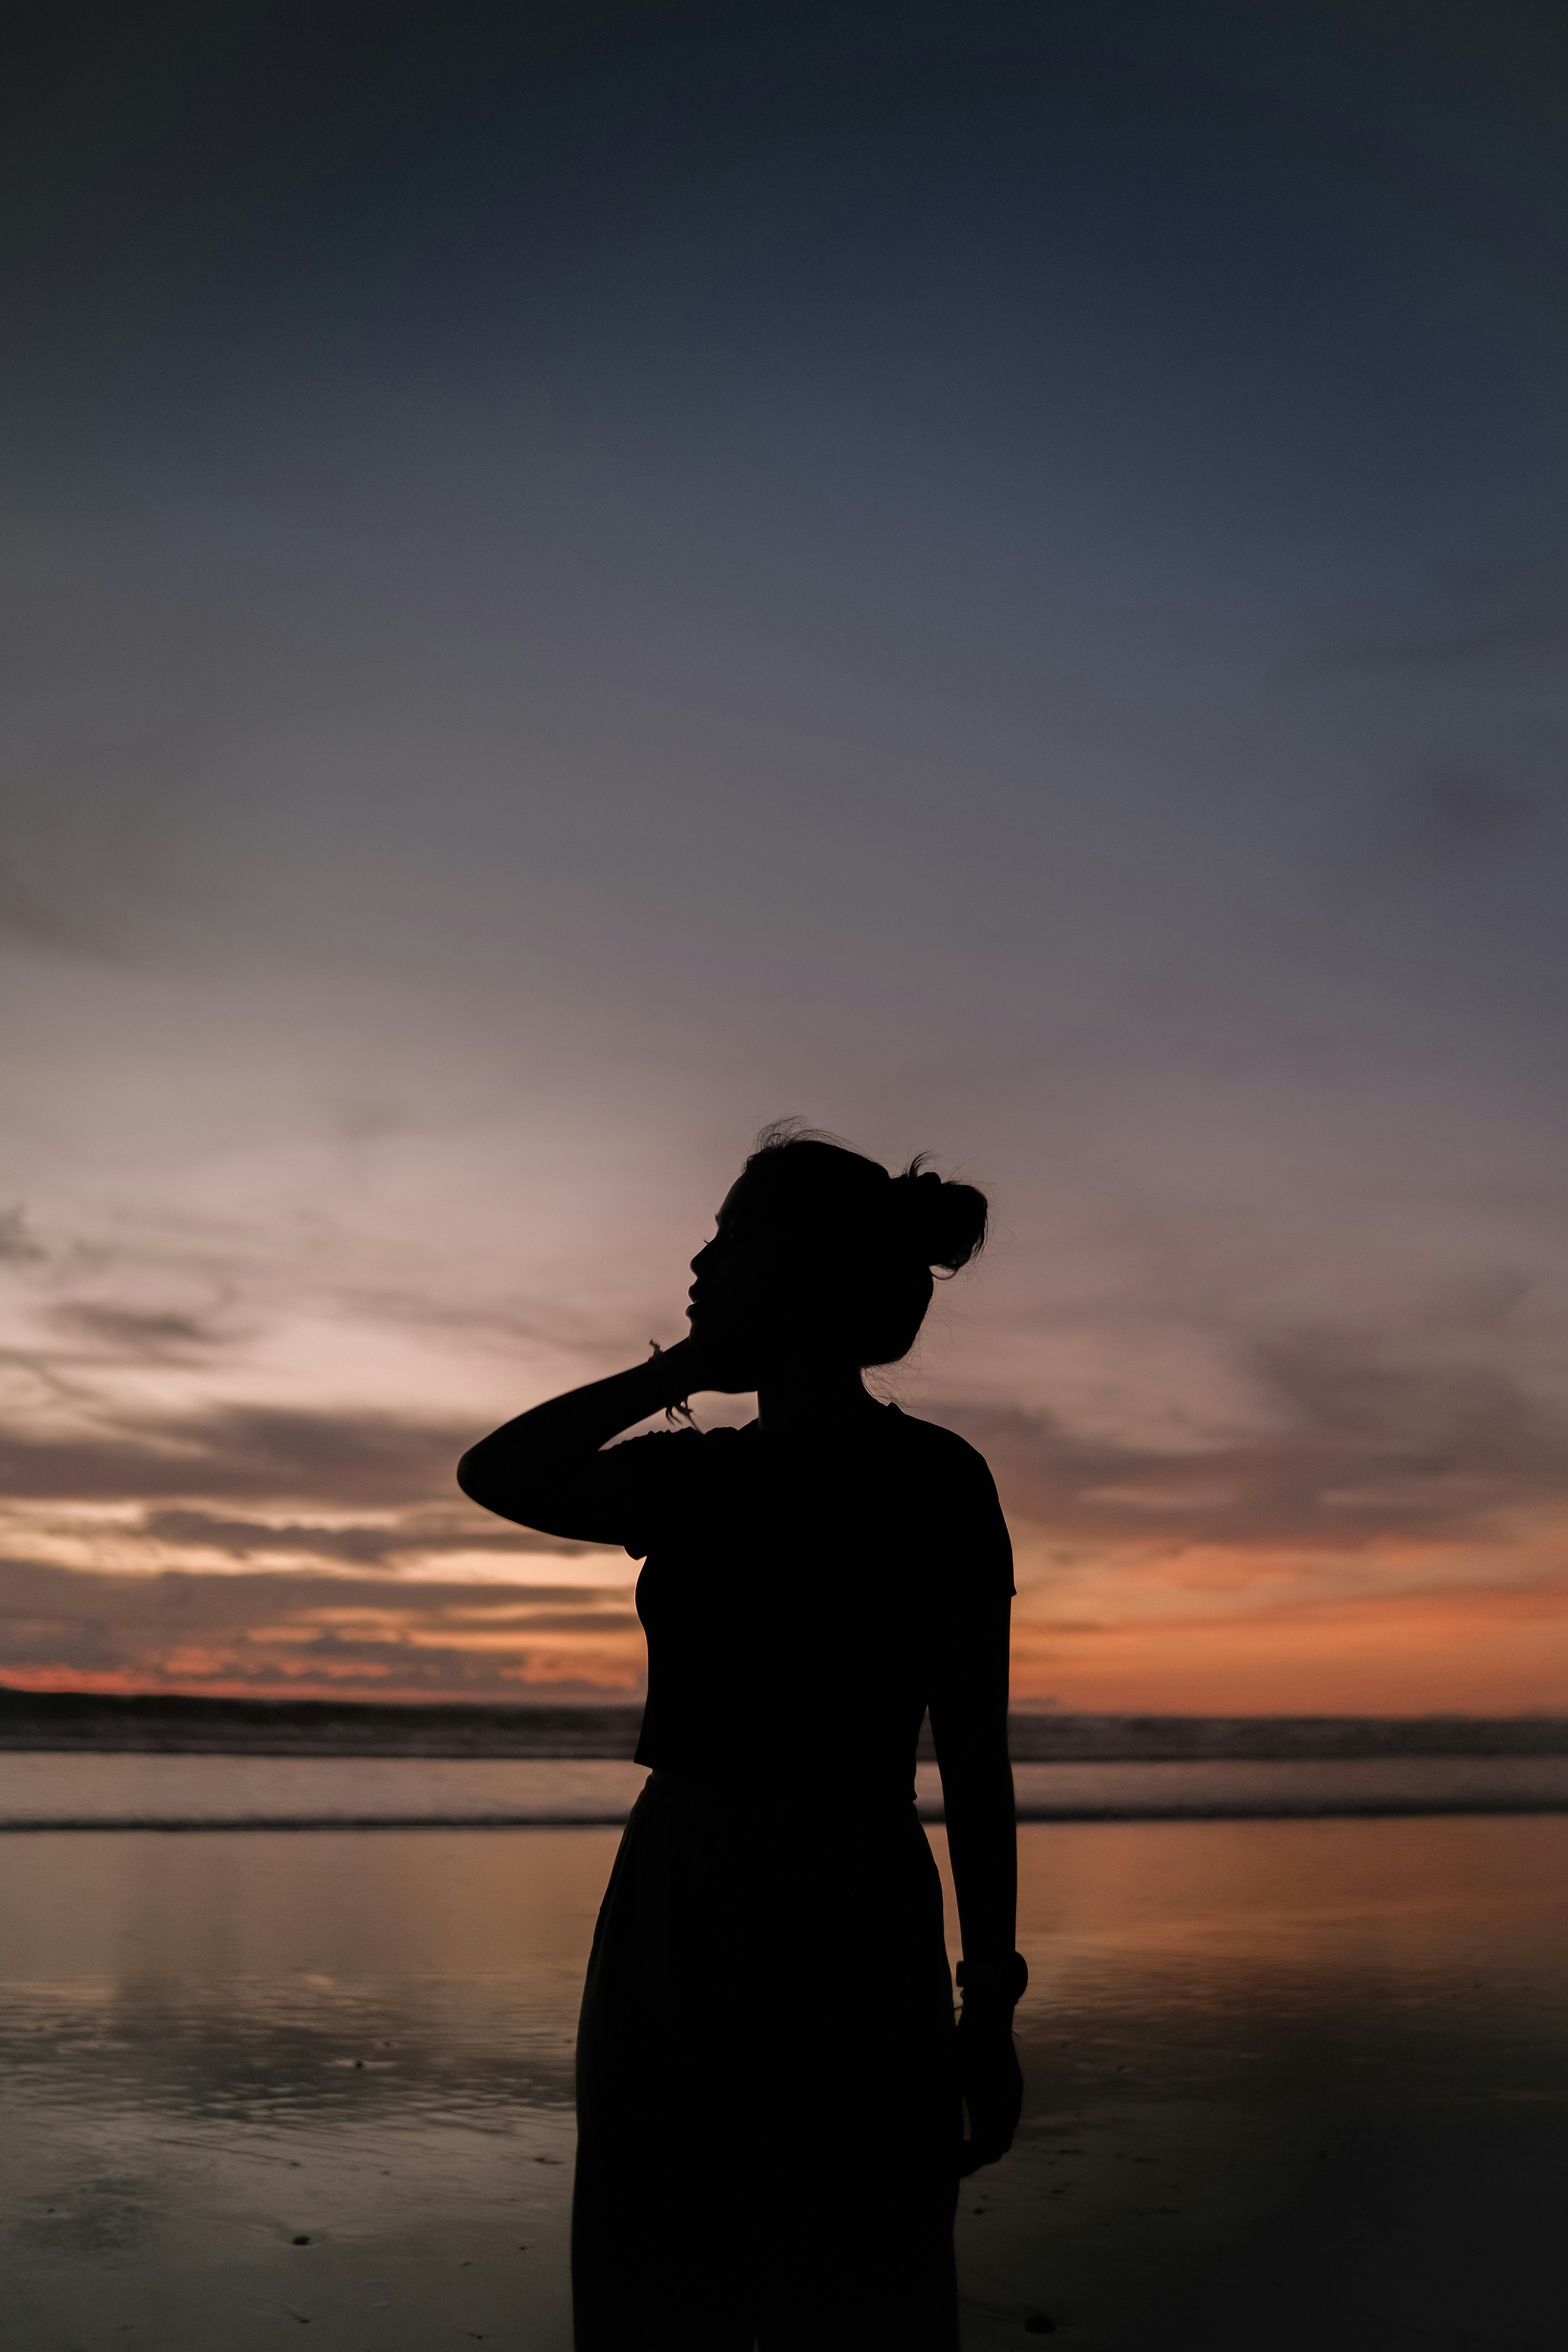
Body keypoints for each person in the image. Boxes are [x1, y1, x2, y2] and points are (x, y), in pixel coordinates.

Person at [457, 1122, 1025, 2351]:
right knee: (649, 2259)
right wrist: (689, 1371)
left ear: (802, 1270)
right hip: (677, 1875)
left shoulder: (934, 1479)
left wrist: (990, 2003)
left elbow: (975, 1760)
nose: (702, 1260)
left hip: (845, 1890)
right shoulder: (697, 1475)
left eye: (729, 1236)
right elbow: (498, 1470)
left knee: (849, 2269)